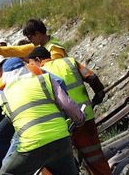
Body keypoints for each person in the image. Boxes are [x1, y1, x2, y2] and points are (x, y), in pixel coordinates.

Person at [0, 56, 84, 175]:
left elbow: (14, 122)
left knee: (7, 171)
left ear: (0, 71)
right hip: (61, 136)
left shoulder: (4, 93)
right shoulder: (42, 78)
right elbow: (66, 102)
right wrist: (78, 119)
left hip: (33, 142)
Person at [28, 46, 112, 175]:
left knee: (61, 164)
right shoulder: (69, 61)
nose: (31, 66)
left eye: (31, 63)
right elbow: (92, 76)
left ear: (38, 59)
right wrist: (99, 92)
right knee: (95, 156)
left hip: (61, 126)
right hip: (85, 117)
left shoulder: (37, 73)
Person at [0, 18, 67, 60]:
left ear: (37, 33)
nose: (29, 40)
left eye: (30, 37)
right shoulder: (40, 45)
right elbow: (17, 50)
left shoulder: (54, 48)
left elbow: (55, 70)